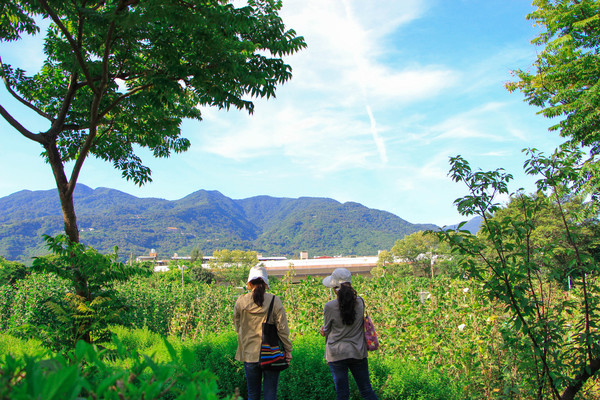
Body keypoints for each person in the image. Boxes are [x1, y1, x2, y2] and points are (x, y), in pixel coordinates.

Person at [234, 264, 292, 400]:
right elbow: (282, 328)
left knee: (253, 394)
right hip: (271, 352)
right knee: (270, 394)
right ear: (266, 283)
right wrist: (287, 349)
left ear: (249, 283)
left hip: (249, 353)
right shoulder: (274, 300)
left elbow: (238, 325)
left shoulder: (241, 301)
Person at [320, 268, 379, 400]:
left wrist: (322, 331)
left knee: (342, 394)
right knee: (366, 390)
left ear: (335, 288)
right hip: (357, 351)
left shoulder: (329, 306)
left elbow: (327, 331)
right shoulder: (360, 302)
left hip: (336, 353)